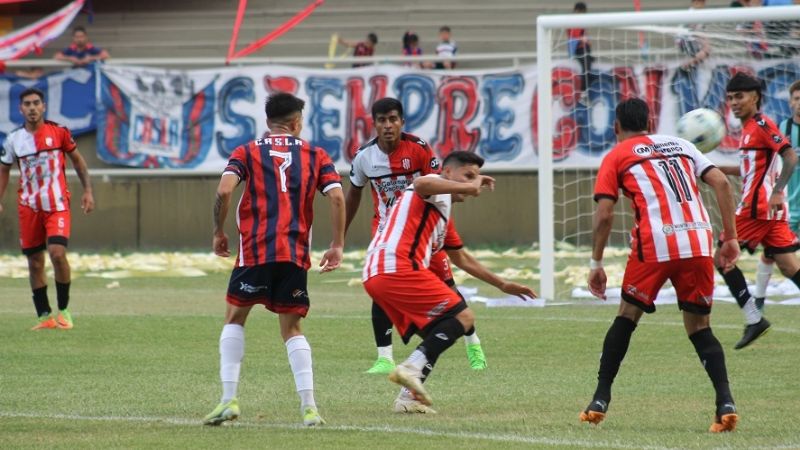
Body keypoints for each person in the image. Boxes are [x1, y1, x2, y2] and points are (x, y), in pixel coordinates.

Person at [580, 98, 740, 432]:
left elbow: (605, 215)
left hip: (656, 244)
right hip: (698, 241)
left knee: (627, 316)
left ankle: (599, 399)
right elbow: (723, 183)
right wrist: (730, 237)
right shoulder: (682, 145)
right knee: (700, 327)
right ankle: (725, 403)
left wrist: (596, 262)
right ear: (650, 124)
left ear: (616, 127)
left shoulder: (617, 155)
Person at [203, 92, 346, 427]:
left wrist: (219, 231)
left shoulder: (247, 151)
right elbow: (337, 197)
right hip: (294, 253)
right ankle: (310, 408)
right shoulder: (316, 154)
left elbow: (224, 190)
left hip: (256, 250)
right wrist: (337, 244)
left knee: (234, 319)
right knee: (292, 328)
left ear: (268, 122)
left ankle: (228, 399)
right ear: (297, 122)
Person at [362, 151, 536, 413]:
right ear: (447, 172)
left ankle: (408, 399)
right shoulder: (433, 186)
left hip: (377, 274)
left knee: (437, 333)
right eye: (468, 175)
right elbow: (421, 183)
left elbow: (461, 258)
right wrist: (472, 185)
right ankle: (409, 368)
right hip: (397, 267)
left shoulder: (443, 215)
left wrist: (502, 285)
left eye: (475, 177)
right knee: (463, 317)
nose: (473, 182)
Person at [346, 97, 489, 373]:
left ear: (402, 122)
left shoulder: (419, 148)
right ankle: (384, 358)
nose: (388, 125)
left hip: (421, 231)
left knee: (447, 286)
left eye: (393, 119)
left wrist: (444, 227)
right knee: (381, 290)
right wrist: (340, 236)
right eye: (382, 120)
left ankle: (474, 344)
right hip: (387, 233)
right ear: (374, 124)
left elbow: (439, 187)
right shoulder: (364, 156)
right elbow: (353, 193)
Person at [715, 72, 800, 350]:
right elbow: (752, 170)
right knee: (789, 267)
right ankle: (754, 319)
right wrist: (712, 169)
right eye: (730, 98)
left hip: (756, 210)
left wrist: (777, 191)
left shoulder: (762, 124)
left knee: (722, 258)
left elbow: (790, 156)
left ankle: (754, 319)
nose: (734, 103)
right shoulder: (749, 128)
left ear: (755, 97)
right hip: (770, 212)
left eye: (739, 97)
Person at [0, 87, 95, 330]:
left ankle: (64, 310)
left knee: (57, 253)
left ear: (43, 106)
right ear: (20, 109)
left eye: (36, 103)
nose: (32, 108)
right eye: (27, 104)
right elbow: (3, 170)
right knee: (34, 262)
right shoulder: (13, 140)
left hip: (57, 205)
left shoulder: (59, 132)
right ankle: (45, 317)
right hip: (29, 207)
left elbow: (78, 161)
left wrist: (88, 191)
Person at [780, 80, 800, 236]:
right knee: (784, 247)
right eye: (797, 98)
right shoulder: (782, 128)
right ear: (790, 102)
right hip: (789, 205)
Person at [566, 2, 593, 90]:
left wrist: (587, 40)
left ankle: (584, 88)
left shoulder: (579, 21)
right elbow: (574, 36)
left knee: (587, 68)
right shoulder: (573, 21)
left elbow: (582, 34)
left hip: (582, 48)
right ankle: (583, 89)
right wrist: (583, 39)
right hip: (580, 49)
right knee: (586, 69)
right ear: (577, 11)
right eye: (582, 11)